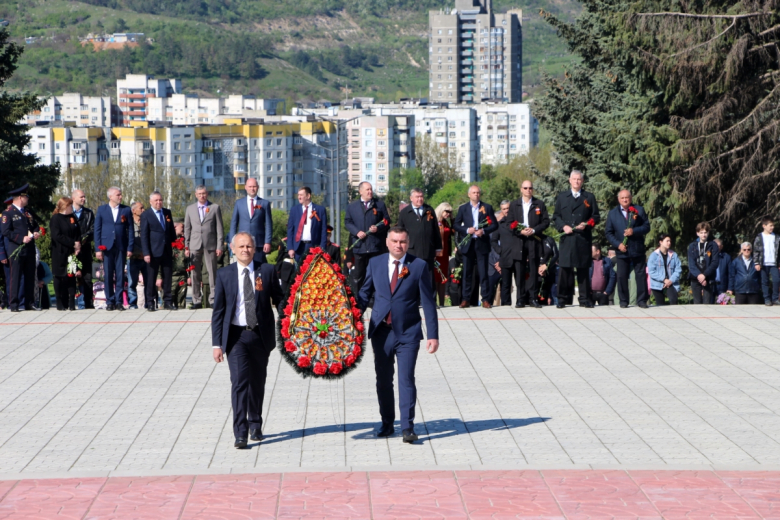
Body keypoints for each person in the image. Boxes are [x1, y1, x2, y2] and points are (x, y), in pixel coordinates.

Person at [357, 226, 439, 443]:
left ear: (408, 242)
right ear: (387, 242)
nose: (398, 245)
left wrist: (433, 334)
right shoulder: (375, 263)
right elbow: (365, 293)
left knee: (406, 379)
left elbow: (429, 303)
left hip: (408, 333)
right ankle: (386, 422)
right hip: (381, 331)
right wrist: (350, 315)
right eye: (394, 241)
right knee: (383, 380)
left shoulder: (419, 266)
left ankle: (407, 427)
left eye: (402, 241)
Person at [211, 232, 284, 449]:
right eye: (241, 246)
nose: (245, 250)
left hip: (260, 335)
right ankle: (240, 433)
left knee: (257, 383)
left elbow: (280, 299)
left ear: (255, 248)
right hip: (236, 337)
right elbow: (219, 312)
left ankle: (255, 423)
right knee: (240, 382)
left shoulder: (267, 271)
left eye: (249, 246)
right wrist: (217, 344)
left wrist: (288, 319)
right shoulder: (225, 274)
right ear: (233, 249)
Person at [552, 170, 600, 308]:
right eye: (574, 179)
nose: (577, 181)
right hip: (567, 239)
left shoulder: (589, 197)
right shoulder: (562, 197)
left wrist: (586, 224)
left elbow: (595, 217)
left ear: (582, 181)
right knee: (564, 270)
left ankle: (584, 299)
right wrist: (563, 227)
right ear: (569, 180)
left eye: (579, 179)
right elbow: (556, 216)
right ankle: (562, 299)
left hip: (582, 239)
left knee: (583, 270)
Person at [505, 181, 551, 308]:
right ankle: (520, 299)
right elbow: (509, 223)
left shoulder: (539, 204)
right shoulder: (514, 204)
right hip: (519, 241)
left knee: (533, 269)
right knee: (519, 270)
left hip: (534, 240)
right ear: (521, 189)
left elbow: (546, 221)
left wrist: (534, 230)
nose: (528, 190)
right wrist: (520, 231)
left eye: (530, 188)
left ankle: (533, 298)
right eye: (525, 188)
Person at [453, 185, 498, 308]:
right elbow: (456, 225)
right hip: (468, 244)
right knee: (467, 272)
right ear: (469, 195)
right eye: (474, 192)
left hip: (481, 243)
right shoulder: (463, 209)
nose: (476, 194)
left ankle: (485, 299)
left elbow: (494, 225)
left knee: (483, 272)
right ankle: (465, 299)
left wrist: (484, 231)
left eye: (478, 192)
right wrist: (467, 230)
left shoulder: (487, 207)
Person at [605, 189, 650, 308]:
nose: (625, 200)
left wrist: (634, 231)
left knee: (640, 275)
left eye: (627, 198)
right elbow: (609, 233)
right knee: (621, 275)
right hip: (621, 249)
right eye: (622, 198)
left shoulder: (639, 210)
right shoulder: (613, 213)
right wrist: (618, 244)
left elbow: (646, 227)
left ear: (631, 198)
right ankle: (623, 301)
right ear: (618, 199)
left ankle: (641, 300)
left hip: (637, 248)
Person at [2, 184, 42, 312]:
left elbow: (35, 226)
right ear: (20, 198)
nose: (28, 199)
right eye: (26, 197)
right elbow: (5, 231)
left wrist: (36, 232)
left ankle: (29, 302)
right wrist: (20, 238)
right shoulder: (8, 213)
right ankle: (14, 304)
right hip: (16, 249)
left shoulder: (27, 212)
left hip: (29, 248)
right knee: (15, 277)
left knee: (30, 275)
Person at [345, 182, 390, 291]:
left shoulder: (379, 204)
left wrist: (378, 228)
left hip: (375, 246)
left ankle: (374, 299)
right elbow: (348, 222)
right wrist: (357, 232)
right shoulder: (352, 206)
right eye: (367, 190)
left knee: (375, 274)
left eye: (371, 189)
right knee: (358, 275)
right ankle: (357, 300)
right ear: (360, 192)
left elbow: (387, 221)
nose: (370, 192)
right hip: (360, 246)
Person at [185, 185, 224, 309]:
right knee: (195, 273)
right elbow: (187, 228)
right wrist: (186, 246)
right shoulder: (190, 209)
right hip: (194, 244)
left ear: (207, 194)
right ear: (196, 195)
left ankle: (213, 299)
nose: (202, 195)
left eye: (204, 193)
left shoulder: (214, 208)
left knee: (212, 272)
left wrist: (219, 246)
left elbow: (219, 229)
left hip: (210, 244)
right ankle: (196, 300)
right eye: (199, 193)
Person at [94, 186, 133, 311]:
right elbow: (97, 230)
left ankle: (119, 301)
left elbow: (130, 229)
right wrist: (97, 249)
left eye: (121, 194)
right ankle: (110, 301)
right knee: (108, 274)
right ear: (110, 196)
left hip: (121, 246)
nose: (120, 197)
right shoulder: (102, 210)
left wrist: (130, 247)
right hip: (106, 246)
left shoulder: (126, 210)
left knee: (120, 274)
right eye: (118, 195)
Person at [397, 188, 442, 285]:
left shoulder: (429, 210)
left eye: (421, 196)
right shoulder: (405, 212)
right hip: (412, 250)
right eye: (417, 197)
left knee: (429, 279)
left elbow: (435, 230)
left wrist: (438, 247)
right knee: (412, 278)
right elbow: (400, 231)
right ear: (411, 198)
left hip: (428, 250)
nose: (420, 199)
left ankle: (429, 300)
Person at [140, 191, 176, 311]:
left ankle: (167, 301)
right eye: (156, 200)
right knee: (151, 278)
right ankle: (150, 302)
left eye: (160, 200)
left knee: (167, 276)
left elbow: (171, 232)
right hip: (153, 251)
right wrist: (146, 253)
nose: (159, 202)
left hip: (166, 250)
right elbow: (144, 235)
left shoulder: (167, 212)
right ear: (151, 202)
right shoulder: (146, 215)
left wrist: (174, 246)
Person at [49, 197, 82, 311]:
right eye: (70, 206)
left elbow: (77, 232)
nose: (72, 208)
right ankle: (60, 302)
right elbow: (57, 236)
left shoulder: (72, 218)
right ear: (64, 207)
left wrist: (77, 244)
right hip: (59, 252)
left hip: (71, 252)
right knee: (59, 276)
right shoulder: (56, 218)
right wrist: (73, 243)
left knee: (71, 276)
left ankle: (72, 303)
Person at [229, 178, 272, 264]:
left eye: (254, 186)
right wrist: (231, 241)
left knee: (259, 267)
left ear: (258, 187)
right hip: (242, 243)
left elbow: (268, 224)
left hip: (259, 244)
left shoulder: (264, 203)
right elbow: (234, 223)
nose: (252, 189)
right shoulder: (239, 203)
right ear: (245, 187)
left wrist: (267, 242)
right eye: (250, 186)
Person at [287, 186, 327, 263]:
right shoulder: (294, 210)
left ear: (308, 196)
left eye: (301, 195)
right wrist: (290, 248)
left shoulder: (320, 210)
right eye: (298, 195)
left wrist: (322, 248)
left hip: (314, 246)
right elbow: (290, 230)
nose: (299, 197)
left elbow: (323, 231)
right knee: (299, 272)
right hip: (298, 247)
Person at [71, 189, 95, 309]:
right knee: (72, 277)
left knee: (87, 278)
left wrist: (81, 240)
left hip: (85, 250)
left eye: (84, 197)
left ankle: (88, 304)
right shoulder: (68, 213)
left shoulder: (89, 213)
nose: (84, 199)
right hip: (71, 251)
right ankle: (71, 303)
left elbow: (93, 229)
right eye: (81, 197)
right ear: (74, 198)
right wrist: (74, 243)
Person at [490, 200, 516, 306]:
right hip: (505, 257)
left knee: (520, 282)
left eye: (508, 208)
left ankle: (521, 302)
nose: (507, 210)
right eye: (504, 209)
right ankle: (506, 305)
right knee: (506, 283)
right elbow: (494, 240)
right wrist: (500, 251)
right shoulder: (499, 225)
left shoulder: (517, 222)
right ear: (501, 210)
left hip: (517, 255)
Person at [687, 222, 719, 304]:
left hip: (708, 278)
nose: (703, 235)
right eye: (701, 232)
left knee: (707, 303)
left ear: (708, 233)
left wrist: (704, 275)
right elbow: (691, 263)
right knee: (697, 303)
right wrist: (699, 275)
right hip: (695, 278)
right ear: (697, 233)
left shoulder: (713, 245)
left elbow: (715, 262)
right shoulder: (692, 246)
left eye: (705, 232)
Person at [753, 216, 780, 306]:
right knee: (765, 281)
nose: (772, 227)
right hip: (763, 263)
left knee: (776, 280)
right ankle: (767, 299)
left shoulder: (776, 237)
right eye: (770, 225)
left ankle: (775, 298)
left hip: (774, 263)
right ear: (764, 226)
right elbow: (756, 250)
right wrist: (756, 262)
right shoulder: (759, 237)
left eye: (773, 226)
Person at [648, 234, 682, 305]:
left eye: (670, 241)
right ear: (661, 242)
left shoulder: (674, 255)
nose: (669, 243)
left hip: (671, 282)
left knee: (673, 300)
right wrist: (663, 279)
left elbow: (678, 269)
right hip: (657, 283)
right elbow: (651, 271)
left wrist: (671, 280)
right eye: (667, 241)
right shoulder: (653, 256)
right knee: (660, 305)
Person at [433, 203, 454, 307]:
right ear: (441, 210)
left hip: (445, 254)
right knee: (436, 277)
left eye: (450, 212)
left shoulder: (446, 223)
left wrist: (452, 219)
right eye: (446, 211)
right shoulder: (435, 222)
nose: (448, 214)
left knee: (443, 278)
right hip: (437, 254)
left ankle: (441, 303)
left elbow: (454, 232)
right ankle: (434, 302)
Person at [126, 202, 146, 309]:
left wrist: (145, 252)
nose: (143, 210)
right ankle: (132, 304)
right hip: (134, 257)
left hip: (146, 257)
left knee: (148, 282)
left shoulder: (145, 222)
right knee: (132, 283)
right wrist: (139, 252)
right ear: (133, 210)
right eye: (141, 208)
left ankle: (149, 303)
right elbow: (129, 240)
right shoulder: (129, 224)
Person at [202, 239, 230, 309]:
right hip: (206, 278)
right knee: (207, 306)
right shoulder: (202, 243)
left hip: (219, 279)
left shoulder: (223, 246)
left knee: (219, 304)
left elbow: (226, 264)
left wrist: (226, 279)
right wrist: (199, 278)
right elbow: (199, 263)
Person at [171, 220, 189, 310]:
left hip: (183, 276)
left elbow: (189, 261)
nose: (184, 229)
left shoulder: (186, 242)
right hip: (171, 277)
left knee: (182, 304)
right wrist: (159, 277)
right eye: (182, 227)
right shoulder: (167, 241)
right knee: (169, 303)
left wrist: (189, 276)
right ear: (175, 227)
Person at [539, 235, 559, 306]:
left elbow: (556, 255)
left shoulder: (549, 239)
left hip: (548, 272)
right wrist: (538, 267)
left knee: (546, 295)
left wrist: (546, 265)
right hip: (534, 272)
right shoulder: (529, 238)